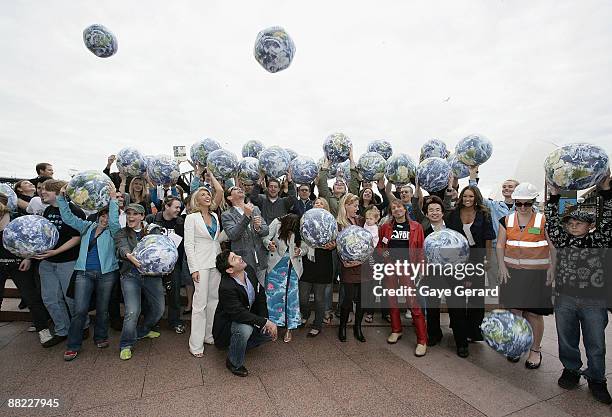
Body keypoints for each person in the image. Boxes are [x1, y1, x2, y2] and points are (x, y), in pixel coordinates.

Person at [546, 172, 612, 404]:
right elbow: (552, 223)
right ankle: (571, 369)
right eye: (571, 223)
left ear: (590, 225)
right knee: (567, 339)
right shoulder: (563, 239)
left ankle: (597, 379)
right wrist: (554, 196)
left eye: (579, 223)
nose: (573, 226)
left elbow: (608, 220)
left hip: (594, 300)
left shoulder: (600, 239)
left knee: (596, 343)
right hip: (565, 298)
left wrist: (605, 191)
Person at [58, 184, 121, 361]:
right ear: (98, 215)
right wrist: (62, 198)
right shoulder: (86, 226)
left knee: (102, 308)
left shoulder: (113, 231)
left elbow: (115, 222)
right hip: (84, 273)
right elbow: (68, 217)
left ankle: (100, 337)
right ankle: (73, 345)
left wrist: (113, 199)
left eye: (108, 217)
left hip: (107, 274)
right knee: (80, 310)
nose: (105, 219)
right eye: (103, 215)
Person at [496, 183, 554, 368]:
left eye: (526, 204)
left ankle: (535, 350)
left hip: (537, 275)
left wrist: (553, 268)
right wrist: (502, 267)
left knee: (534, 313)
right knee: (515, 312)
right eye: (518, 204)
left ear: (533, 203)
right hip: (513, 274)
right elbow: (499, 245)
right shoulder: (506, 220)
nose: (522, 207)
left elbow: (553, 247)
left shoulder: (543, 221)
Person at [33, 179, 87, 348]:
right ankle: (62, 330)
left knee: (71, 298)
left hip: (67, 261)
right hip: (46, 262)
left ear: (57, 192)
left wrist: (55, 252)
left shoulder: (74, 211)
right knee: (50, 298)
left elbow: (77, 237)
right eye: (41, 190)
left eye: (46, 190)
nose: (42, 193)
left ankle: (82, 326)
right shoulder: (48, 210)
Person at [445, 185, 495, 358]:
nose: (467, 199)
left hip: (476, 260)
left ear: (476, 198)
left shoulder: (484, 214)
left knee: (476, 300)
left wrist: (487, 259)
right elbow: (448, 237)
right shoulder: (452, 214)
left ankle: (473, 331)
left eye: (471, 196)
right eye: (465, 196)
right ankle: (461, 342)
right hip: (456, 261)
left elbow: (488, 238)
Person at [213, 251, 277, 377]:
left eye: (236, 255)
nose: (239, 257)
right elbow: (239, 314)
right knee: (244, 329)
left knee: (268, 334)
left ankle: (238, 346)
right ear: (230, 270)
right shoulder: (226, 287)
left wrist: (264, 318)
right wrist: (264, 322)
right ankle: (233, 362)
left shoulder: (249, 270)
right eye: (234, 258)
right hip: (228, 325)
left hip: (247, 316)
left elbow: (260, 294)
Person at [377, 199, 428, 356]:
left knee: (412, 302)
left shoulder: (416, 227)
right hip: (391, 267)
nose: (397, 209)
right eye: (393, 208)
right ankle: (396, 330)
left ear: (405, 209)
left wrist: (421, 268)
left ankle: (422, 340)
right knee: (392, 300)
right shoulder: (386, 227)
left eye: (399, 207)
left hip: (408, 268)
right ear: (391, 211)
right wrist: (384, 255)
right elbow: (380, 246)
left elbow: (420, 248)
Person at [114, 203, 165, 360]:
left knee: (159, 309)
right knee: (132, 311)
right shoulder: (121, 233)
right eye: (129, 213)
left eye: (135, 214)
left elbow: (161, 247)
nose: (131, 217)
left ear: (142, 216)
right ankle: (126, 344)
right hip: (130, 276)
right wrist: (129, 256)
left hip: (151, 276)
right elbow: (122, 247)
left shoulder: (153, 230)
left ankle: (143, 331)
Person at [0, 194, 52, 346]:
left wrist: (28, 258)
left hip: (19, 264)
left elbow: (34, 240)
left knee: (31, 297)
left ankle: (42, 329)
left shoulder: (19, 220)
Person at [184, 176, 226, 357]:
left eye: (208, 193)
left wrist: (212, 174)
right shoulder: (191, 218)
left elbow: (221, 192)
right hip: (200, 264)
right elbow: (188, 244)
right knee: (199, 304)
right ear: (196, 199)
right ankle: (195, 344)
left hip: (215, 262)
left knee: (214, 301)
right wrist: (193, 269)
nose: (207, 196)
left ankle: (209, 335)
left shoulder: (216, 215)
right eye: (203, 194)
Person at [145, 196, 186, 334]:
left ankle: (174, 321)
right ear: (166, 207)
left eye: (179, 207)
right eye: (176, 207)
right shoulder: (152, 219)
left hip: (173, 264)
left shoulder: (180, 222)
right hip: (154, 265)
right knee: (152, 295)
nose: (178, 210)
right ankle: (152, 322)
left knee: (174, 295)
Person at [263, 214, 305, 343]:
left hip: (293, 267)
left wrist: (301, 251)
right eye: (290, 229)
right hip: (275, 266)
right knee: (273, 297)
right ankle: (272, 327)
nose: (292, 231)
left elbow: (306, 246)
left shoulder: (301, 227)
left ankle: (289, 329)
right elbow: (265, 237)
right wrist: (269, 244)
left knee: (291, 298)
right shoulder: (276, 223)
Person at [299, 198, 336, 337]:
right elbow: (301, 237)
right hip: (307, 262)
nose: (318, 205)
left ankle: (317, 324)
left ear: (326, 208)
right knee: (303, 297)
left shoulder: (331, 221)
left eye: (321, 203)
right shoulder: (305, 219)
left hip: (323, 262)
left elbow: (336, 239)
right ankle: (305, 314)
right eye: (316, 203)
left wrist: (334, 245)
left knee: (320, 299)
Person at [415, 195, 448, 346]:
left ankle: (460, 339)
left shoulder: (452, 228)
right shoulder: (424, 231)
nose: (434, 212)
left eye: (437, 210)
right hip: (432, 272)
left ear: (442, 212)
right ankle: (434, 334)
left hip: (452, 272)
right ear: (427, 214)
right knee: (433, 305)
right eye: (431, 210)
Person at [336, 193, 368, 343]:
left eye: (357, 205)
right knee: (347, 299)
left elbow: (370, 240)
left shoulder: (362, 221)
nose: (357, 208)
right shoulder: (338, 224)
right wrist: (345, 261)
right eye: (354, 205)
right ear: (346, 206)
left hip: (363, 265)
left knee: (362, 300)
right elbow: (337, 247)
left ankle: (358, 327)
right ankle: (342, 327)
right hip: (347, 266)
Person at [222, 186, 269, 286]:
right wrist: (246, 216)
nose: (239, 189)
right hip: (243, 261)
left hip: (261, 259)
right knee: (248, 292)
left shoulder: (254, 208)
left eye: (239, 188)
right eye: (234, 189)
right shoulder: (226, 215)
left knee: (262, 292)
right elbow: (233, 235)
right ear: (229, 198)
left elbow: (266, 231)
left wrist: (257, 227)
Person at [317, 150, 360, 217]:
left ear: (346, 189)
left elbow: (354, 184)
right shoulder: (327, 197)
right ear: (333, 190)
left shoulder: (349, 198)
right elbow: (322, 182)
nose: (339, 184)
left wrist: (351, 159)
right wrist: (327, 163)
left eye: (342, 184)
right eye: (336, 184)